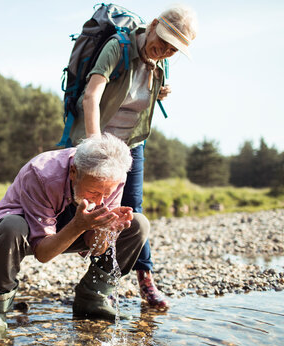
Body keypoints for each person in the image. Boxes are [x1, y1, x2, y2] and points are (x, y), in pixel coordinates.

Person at [68, 5, 198, 309]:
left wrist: (159, 92)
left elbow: (141, 92)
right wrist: (95, 145)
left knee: (133, 212)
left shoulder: (160, 62)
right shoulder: (118, 47)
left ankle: (143, 281)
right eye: (162, 42)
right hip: (98, 141)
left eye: (172, 49)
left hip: (131, 145)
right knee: (93, 206)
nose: (164, 50)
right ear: (152, 25)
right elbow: (92, 95)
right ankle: (97, 280)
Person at [0, 134, 150, 338]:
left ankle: (93, 298)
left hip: (76, 222)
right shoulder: (41, 173)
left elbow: (95, 247)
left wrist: (108, 229)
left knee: (138, 225)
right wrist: (79, 225)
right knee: (10, 227)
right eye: (94, 192)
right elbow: (43, 253)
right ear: (74, 172)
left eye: (106, 194)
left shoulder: (114, 176)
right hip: (25, 226)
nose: (100, 201)